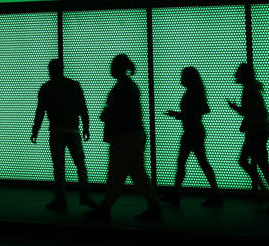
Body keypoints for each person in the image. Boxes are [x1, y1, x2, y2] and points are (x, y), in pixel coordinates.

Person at [84, 54, 162, 221]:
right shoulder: (127, 86)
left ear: (118, 68)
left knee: (117, 174)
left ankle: (105, 209)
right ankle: (153, 207)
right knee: (135, 174)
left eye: (113, 65)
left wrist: (106, 114)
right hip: (131, 136)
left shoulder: (122, 87)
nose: (110, 68)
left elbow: (118, 112)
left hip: (125, 137)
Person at [31, 58, 99, 211]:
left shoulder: (46, 88)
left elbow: (40, 111)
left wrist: (35, 130)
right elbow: (83, 108)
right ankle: (84, 195)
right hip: (73, 131)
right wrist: (86, 127)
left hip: (56, 131)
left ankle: (61, 199)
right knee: (80, 164)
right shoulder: (74, 85)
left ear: (50, 71)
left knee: (59, 167)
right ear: (62, 69)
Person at [228, 62, 269, 211]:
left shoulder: (249, 91)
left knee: (261, 165)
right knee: (255, 163)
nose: (235, 74)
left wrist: (246, 123)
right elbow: (253, 111)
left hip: (256, 133)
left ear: (244, 75)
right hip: (258, 132)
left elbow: (253, 113)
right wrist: (238, 110)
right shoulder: (251, 89)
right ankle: (268, 192)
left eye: (238, 72)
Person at [162, 66, 222, 207]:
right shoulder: (196, 92)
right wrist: (181, 115)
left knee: (186, 162)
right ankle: (215, 194)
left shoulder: (192, 93)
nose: (181, 79)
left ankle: (176, 194)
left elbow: (195, 113)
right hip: (194, 132)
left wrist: (179, 115)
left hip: (192, 132)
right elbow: (203, 109)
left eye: (183, 76)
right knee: (198, 162)